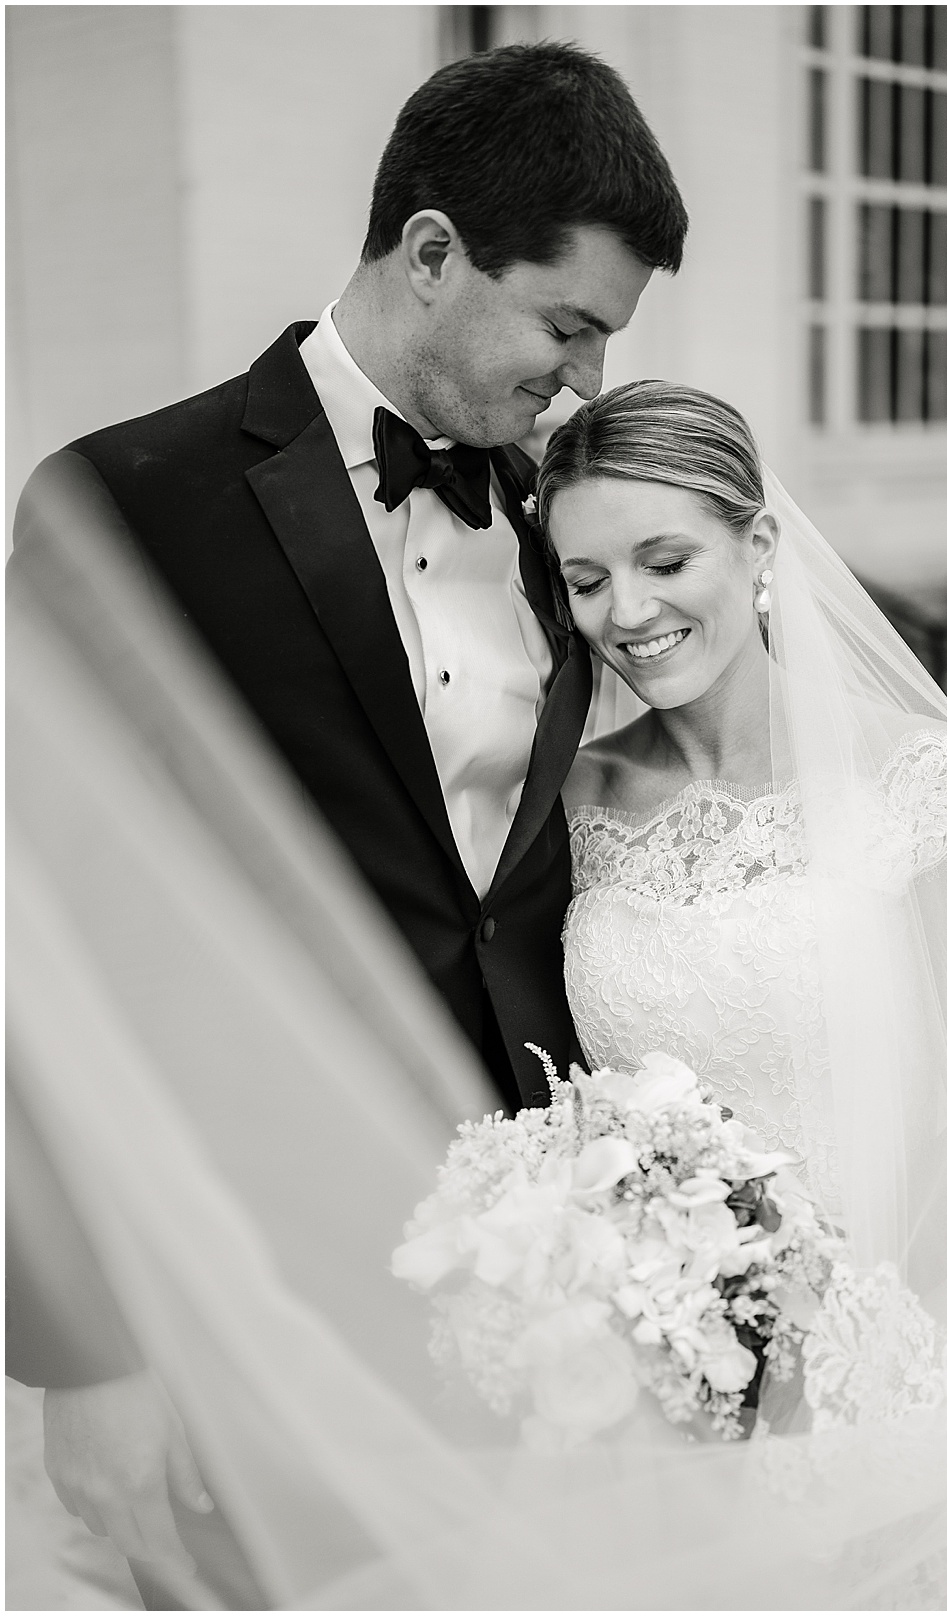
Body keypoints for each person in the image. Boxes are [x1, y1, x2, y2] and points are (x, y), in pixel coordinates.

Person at [10, 382, 947, 1610]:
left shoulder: (920, 785)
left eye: (665, 558)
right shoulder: (575, 804)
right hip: (639, 1418)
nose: (630, 612)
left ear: (761, 543)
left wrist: (816, 1369)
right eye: (584, 578)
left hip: (885, 1381)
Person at [10, 41, 686, 1602]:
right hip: (253, 1297)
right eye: (566, 326)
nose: (585, 382)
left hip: (547, 1306)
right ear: (433, 252)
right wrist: (84, 1357)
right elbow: (41, 953)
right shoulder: (120, 503)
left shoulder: (572, 517)